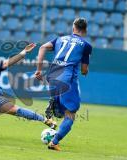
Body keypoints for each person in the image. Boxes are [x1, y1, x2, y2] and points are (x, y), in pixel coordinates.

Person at [35, 18, 92, 151]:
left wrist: (38, 69)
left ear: (73, 27)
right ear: (86, 30)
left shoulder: (60, 39)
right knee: (71, 113)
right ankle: (54, 142)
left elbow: (42, 47)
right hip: (67, 79)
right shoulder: (86, 45)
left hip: (52, 76)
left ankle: (56, 103)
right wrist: (85, 71)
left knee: (62, 110)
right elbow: (84, 70)